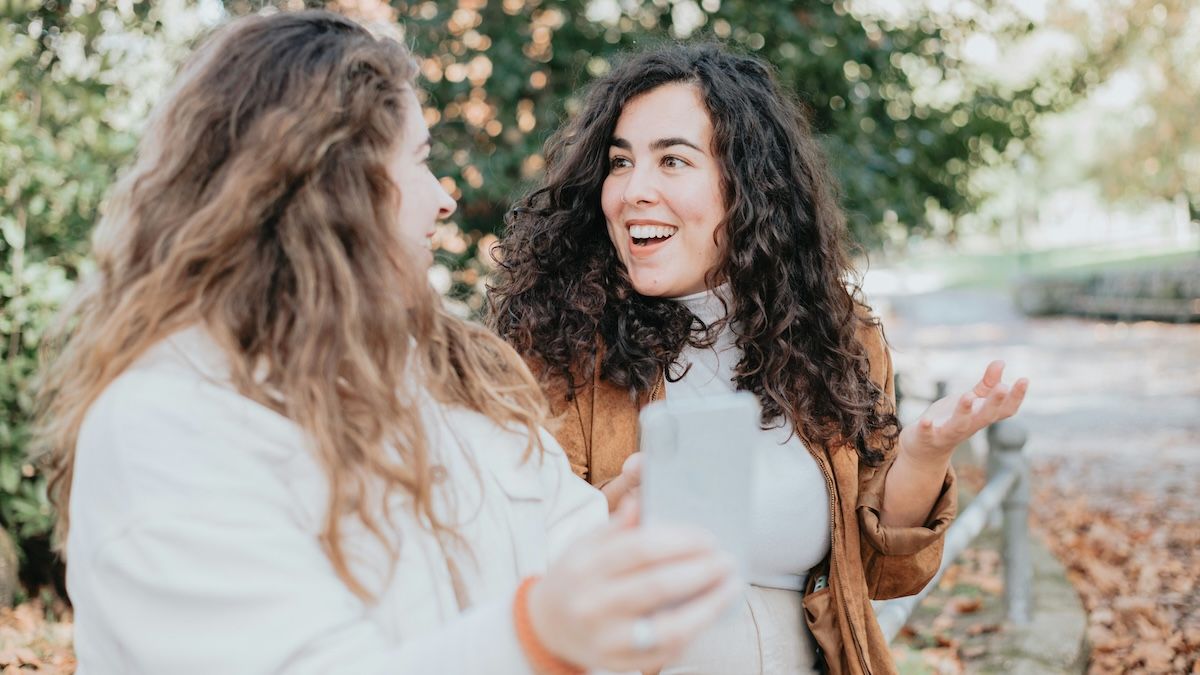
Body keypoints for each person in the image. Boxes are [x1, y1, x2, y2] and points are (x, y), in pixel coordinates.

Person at [32, 13, 740, 674]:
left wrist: (616, 532)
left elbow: (557, 543)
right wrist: (536, 634)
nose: (444, 198)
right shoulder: (166, 427)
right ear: (332, 185)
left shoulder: (450, 383)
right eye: (420, 160)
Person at [489, 44, 1028, 675]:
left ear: (746, 182)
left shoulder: (837, 338)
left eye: (672, 160)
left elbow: (882, 573)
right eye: (619, 162)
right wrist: (605, 515)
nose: (634, 191)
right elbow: (503, 570)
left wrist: (926, 453)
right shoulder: (559, 349)